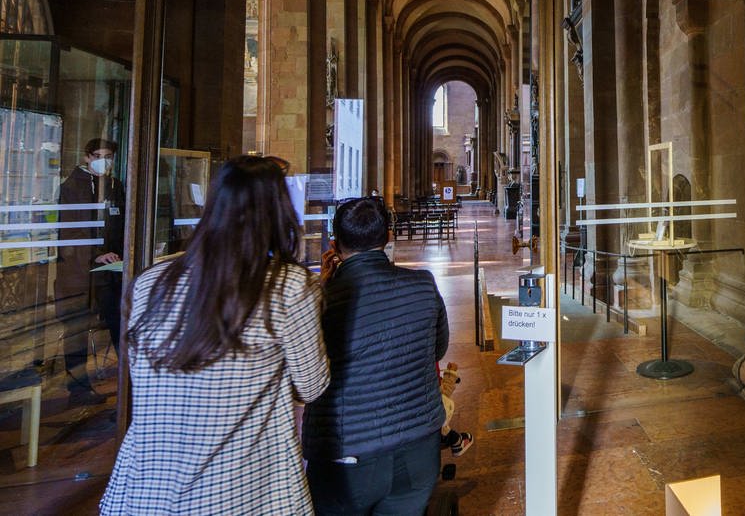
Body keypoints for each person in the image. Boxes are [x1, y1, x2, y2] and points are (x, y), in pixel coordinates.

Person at [101, 155, 329, 515]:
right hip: (239, 490)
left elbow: (145, 378)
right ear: (277, 211)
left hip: (146, 490)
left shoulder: (149, 284)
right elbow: (312, 386)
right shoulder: (287, 286)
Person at [303, 196, 450, 515]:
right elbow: (436, 350)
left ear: (334, 242)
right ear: (389, 237)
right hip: (418, 449)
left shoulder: (321, 299)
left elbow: (307, 380)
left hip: (346, 456)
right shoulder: (423, 286)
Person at [54, 137, 126, 405]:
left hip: (112, 272)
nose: (103, 161)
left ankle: (128, 384)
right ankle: (78, 389)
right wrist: (96, 255)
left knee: (120, 325)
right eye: (98, 155)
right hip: (78, 274)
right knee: (77, 331)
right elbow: (70, 232)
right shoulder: (72, 187)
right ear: (86, 157)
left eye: (109, 156)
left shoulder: (115, 186)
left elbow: (121, 223)